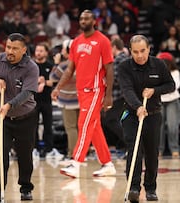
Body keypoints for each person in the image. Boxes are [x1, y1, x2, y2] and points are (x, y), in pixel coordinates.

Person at [51, 10, 116, 178]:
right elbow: (69, 69)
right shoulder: (76, 42)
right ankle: (107, 164)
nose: (83, 20)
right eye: (81, 18)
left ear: (94, 21)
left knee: (84, 124)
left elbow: (109, 69)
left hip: (95, 90)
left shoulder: (103, 41)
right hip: (81, 91)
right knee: (94, 127)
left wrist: (108, 94)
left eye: (87, 18)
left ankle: (76, 162)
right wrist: (58, 87)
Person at [0, 33, 39, 202]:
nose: (10, 51)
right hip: (2, 118)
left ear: (24, 50)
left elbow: (28, 93)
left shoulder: (31, 67)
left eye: (15, 49)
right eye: (8, 47)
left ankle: (26, 188)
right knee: (1, 153)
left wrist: (9, 105)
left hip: (25, 117)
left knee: (25, 155)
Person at [117, 35, 175, 202]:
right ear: (130, 52)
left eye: (143, 51)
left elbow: (170, 85)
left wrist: (154, 91)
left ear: (149, 49)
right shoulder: (124, 67)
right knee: (134, 150)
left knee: (151, 153)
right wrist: (138, 106)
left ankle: (151, 188)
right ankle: (134, 188)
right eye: (135, 52)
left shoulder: (159, 64)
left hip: (154, 114)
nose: (140, 55)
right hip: (131, 114)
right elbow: (127, 90)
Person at [49, 39, 79, 160]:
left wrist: (56, 63)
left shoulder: (64, 65)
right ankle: (83, 152)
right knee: (79, 127)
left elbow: (53, 77)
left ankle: (73, 154)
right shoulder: (82, 62)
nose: (61, 52)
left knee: (71, 128)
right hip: (81, 99)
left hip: (68, 100)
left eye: (63, 49)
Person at [33, 42, 63, 160]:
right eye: (37, 50)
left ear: (46, 52)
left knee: (48, 126)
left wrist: (43, 81)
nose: (38, 53)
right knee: (33, 126)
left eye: (41, 51)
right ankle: (34, 149)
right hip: (33, 101)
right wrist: (36, 81)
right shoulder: (31, 66)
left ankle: (49, 150)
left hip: (46, 100)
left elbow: (53, 81)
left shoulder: (50, 66)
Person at [101, 38, 128, 157]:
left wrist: (105, 80)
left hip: (119, 96)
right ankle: (126, 146)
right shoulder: (126, 58)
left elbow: (116, 79)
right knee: (115, 120)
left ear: (114, 47)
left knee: (110, 119)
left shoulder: (118, 60)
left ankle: (130, 144)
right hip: (124, 96)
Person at [156, 52, 180, 159]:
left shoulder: (175, 72)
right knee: (158, 127)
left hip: (172, 100)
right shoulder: (155, 72)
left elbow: (174, 86)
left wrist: (159, 89)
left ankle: (174, 148)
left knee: (172, 126)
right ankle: (158, 150)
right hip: (158, 101)